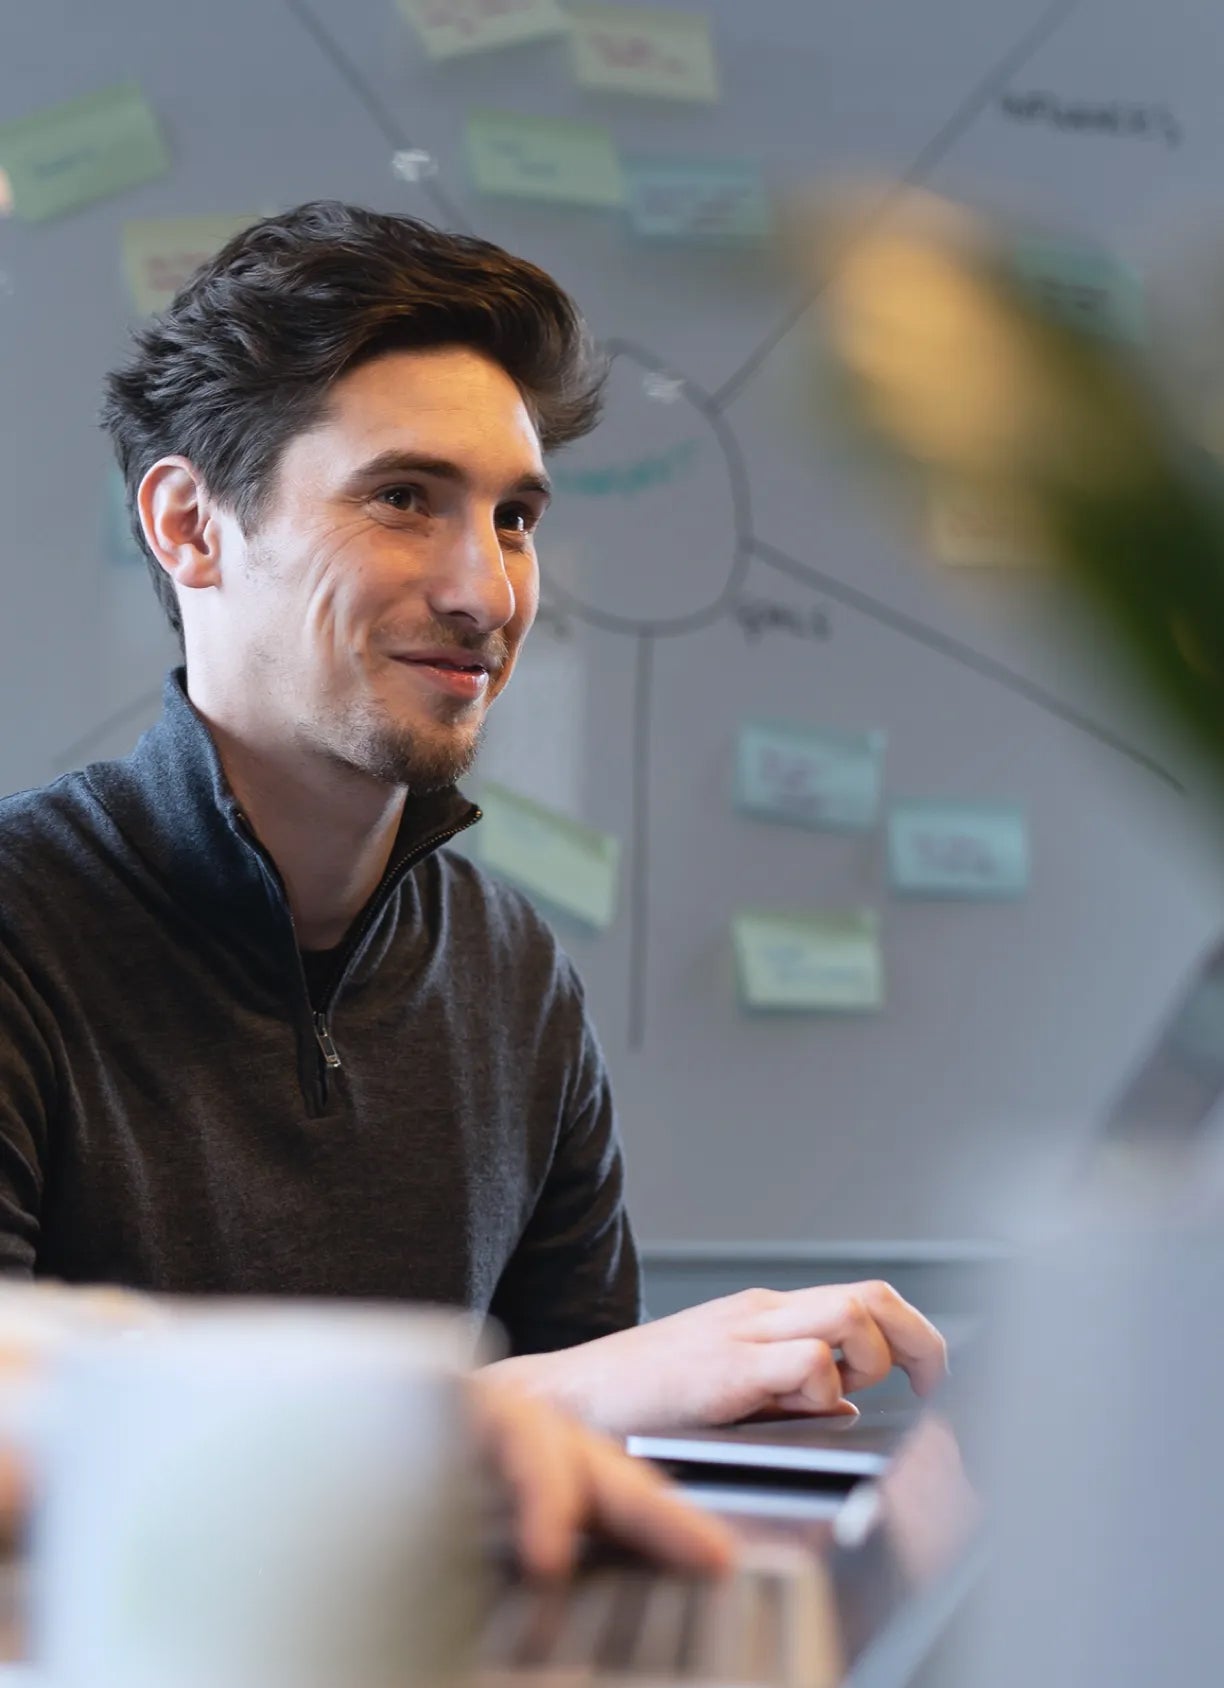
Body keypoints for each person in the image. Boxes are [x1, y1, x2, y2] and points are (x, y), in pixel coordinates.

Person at [0, 201, 945, 1448]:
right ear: (189, 526)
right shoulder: (22, 928)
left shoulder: (513, 971)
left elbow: (588, 1465)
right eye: (404, 497)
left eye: (515, 518)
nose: (486, 592)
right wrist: (541, 1398)